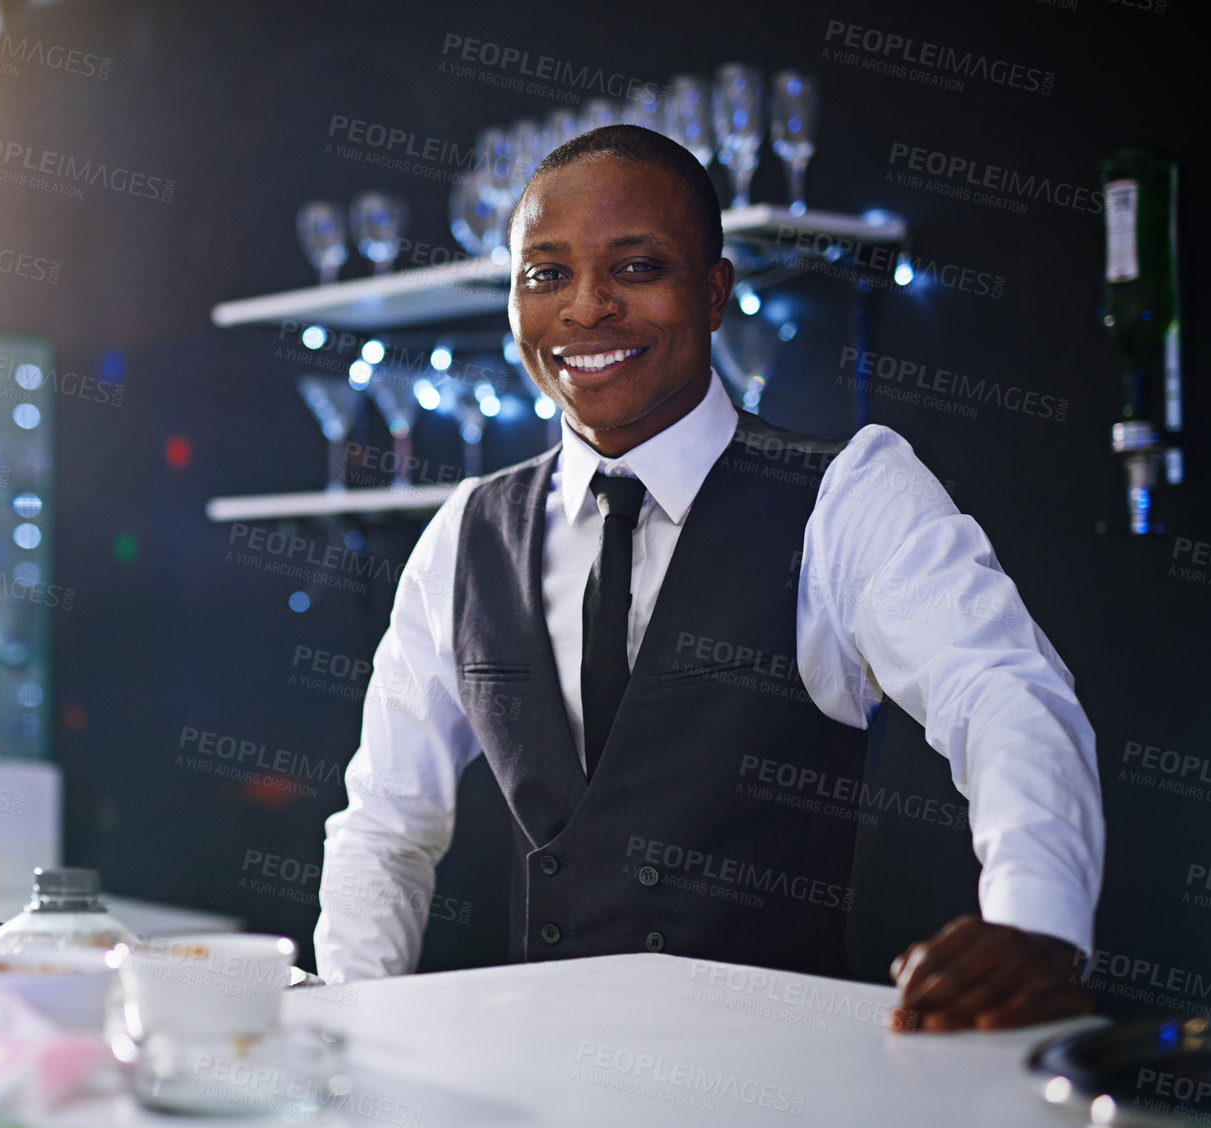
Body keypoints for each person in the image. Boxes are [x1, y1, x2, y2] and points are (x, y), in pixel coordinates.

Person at [315, 125, 1103, 1033]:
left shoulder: (847, 495)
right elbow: (383, 823)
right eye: (545, 274)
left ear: (715, 291)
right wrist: (346, 1027)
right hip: (538, 1088)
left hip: (775, 1099)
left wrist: (1034, 922)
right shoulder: (467, 530)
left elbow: (1004, 691)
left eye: (636, 268)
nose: (584, 309)